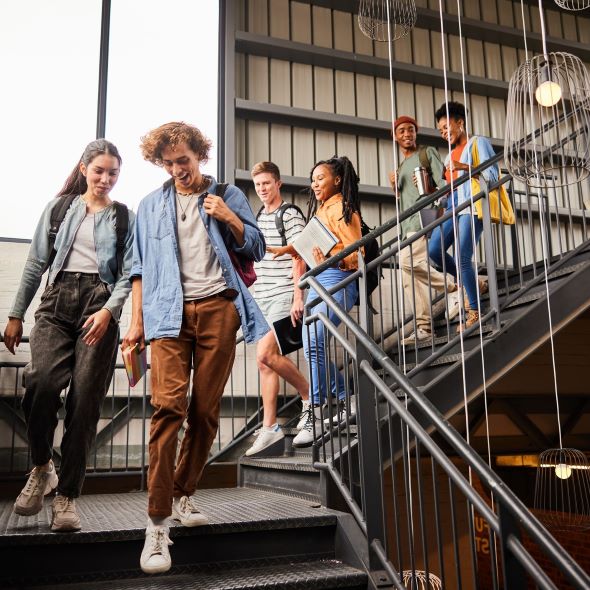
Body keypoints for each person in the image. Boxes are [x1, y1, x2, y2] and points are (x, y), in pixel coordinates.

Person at [122, 122, 268, 575]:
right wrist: (137, 321)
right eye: (168, 163)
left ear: (200, 154)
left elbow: (258, 246)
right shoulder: (149, 206)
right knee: (168, 409)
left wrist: (228, 216)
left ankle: (184, 494)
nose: (177, 169)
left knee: (205, 413)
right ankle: (157, 522)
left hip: (219, 309)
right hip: (167, 316)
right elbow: (139, 267)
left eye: (183, 160)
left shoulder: (228, 193)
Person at [2, 139, 134, 532]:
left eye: (113, 173)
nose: (106, 179)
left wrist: (110, 312)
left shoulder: (124, 217)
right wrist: (14, 314)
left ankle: (67, 498)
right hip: (56, 305)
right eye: (99, 171)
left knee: (84, 404)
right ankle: (43, 467)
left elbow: (130, 272)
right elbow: (35, 264)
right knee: (40, 383)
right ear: (83, 168)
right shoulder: (59, 209)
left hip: (100, 308)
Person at [269, 156, 362, 441]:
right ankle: (347, 400)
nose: (314, 183)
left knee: (314, 340)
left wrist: (330, 257)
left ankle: (316, 413)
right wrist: (287, 251)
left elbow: (356, 255)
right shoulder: (322, 211)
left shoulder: (345, 210)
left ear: (337, 180)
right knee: (312, 345)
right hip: (318, 281)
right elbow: (309, 244)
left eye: (320, 178)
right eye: (313, 179)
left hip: (338, 279)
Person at [246, 161, 311, 454]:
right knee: (263, 362)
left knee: (266, 353)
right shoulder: (259, 215)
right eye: (258, 184)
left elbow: (300, 255)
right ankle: (270, 427)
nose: (262, 189)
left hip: (284, 293)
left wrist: (299, 296)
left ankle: (310, 397)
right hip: (262, 295)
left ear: (278, 183)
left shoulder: (290, 214)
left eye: (267, 183)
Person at [388, 115, 457, 344]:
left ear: (416, 133)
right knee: (408, 277)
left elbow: (444, 185)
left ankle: (454, 287)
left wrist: (430, 189)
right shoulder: (400, 167)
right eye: (402, 131)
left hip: (424, 218)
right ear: (395, 137)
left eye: (411, 130)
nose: (407, 134)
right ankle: (424, 327)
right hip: (406, 225)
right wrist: (394, 187)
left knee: (409, 263)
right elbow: (403, 200)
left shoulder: (427, 153)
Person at [428, 101, 491, 332]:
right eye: (441, 130)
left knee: (462, 256)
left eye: (447, 127)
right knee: (434, 250)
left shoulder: (478, 143)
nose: (445, 133)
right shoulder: (447, 158)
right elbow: (448, 193)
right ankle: (475, 283)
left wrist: (464, 167)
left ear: (460, 123)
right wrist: (431, 190)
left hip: (472, 206)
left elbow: (492, 174)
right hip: (453, 207)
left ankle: (475, 312)